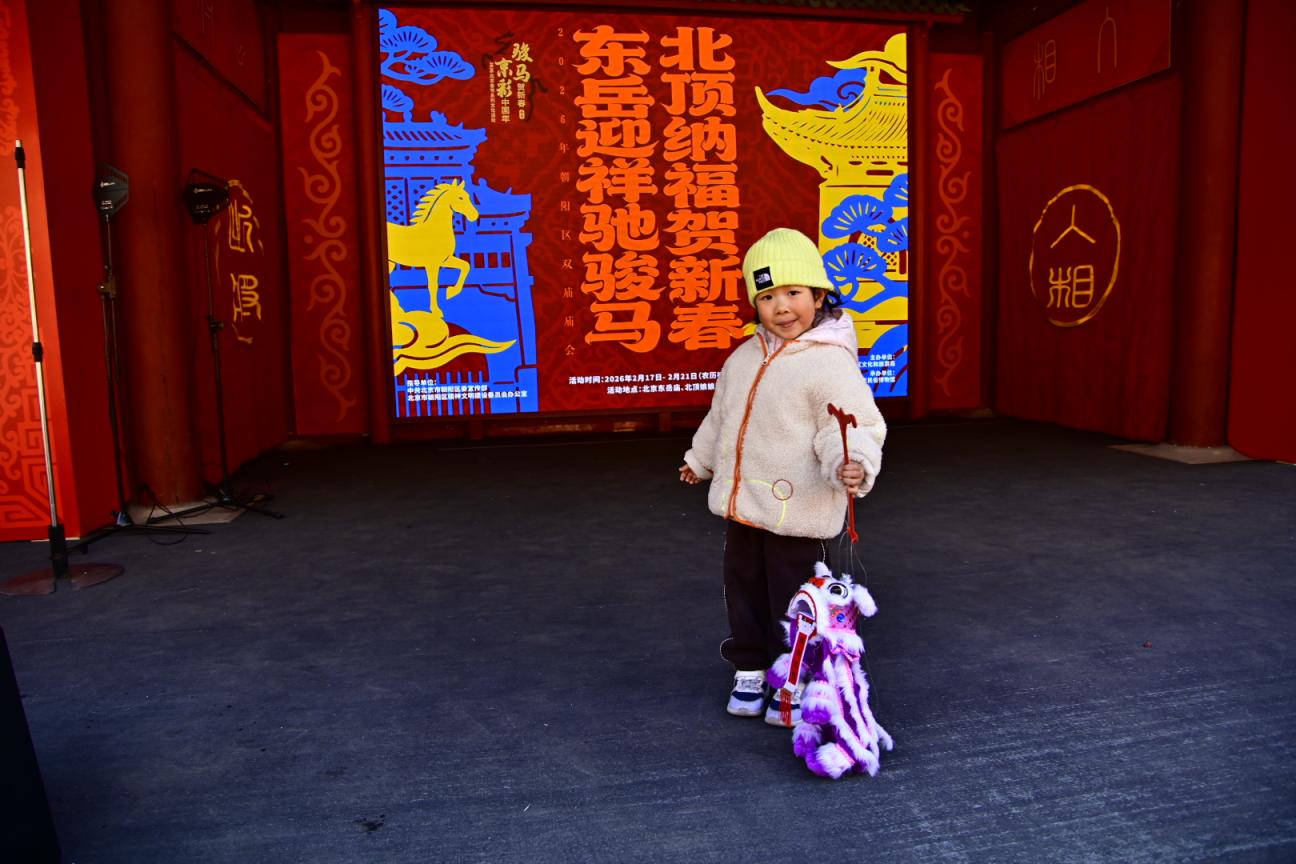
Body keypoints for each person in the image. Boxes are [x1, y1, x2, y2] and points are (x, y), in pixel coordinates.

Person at [678, 227, 886, 727]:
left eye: (793, 292)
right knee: (743, 585)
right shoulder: (743, 357)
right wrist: (700, 459)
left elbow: (851, 424)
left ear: (819, 294)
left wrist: (852, 460)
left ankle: (795, 674)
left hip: (798, 509)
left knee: (794, 597)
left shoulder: (829, 362)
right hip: (745, 506)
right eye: (767, 296)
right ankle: (750, 666)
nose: (781, 307)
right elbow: (721, 417)